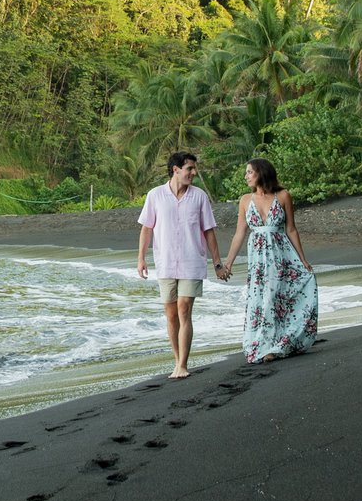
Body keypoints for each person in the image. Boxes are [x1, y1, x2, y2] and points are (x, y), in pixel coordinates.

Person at [218, 157, 318, 364]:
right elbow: (239, 233)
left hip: (281, 255)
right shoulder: (245, 200)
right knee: (262, 300)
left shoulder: (283, 196)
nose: (246, 176)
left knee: (276, 298)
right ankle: (264, 344)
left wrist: (303, 259)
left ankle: (279, 344)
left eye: (249, 172)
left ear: (261, 173)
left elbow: (291, 229)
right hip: (257, 259)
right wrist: (228, 263)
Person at [136, 151, 221, 379]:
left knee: (184, 308)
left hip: (192, 260)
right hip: (164, 262)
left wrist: (217, 262)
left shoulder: (199, 196)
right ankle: (176, 360)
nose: (193, 173)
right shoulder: (155, 195)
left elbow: (209, 230)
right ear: (176, 170)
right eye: (189, 169)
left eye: (193, 169)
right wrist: (141, 258)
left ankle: (183, 364)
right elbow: (147, 228)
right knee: (171, 313)